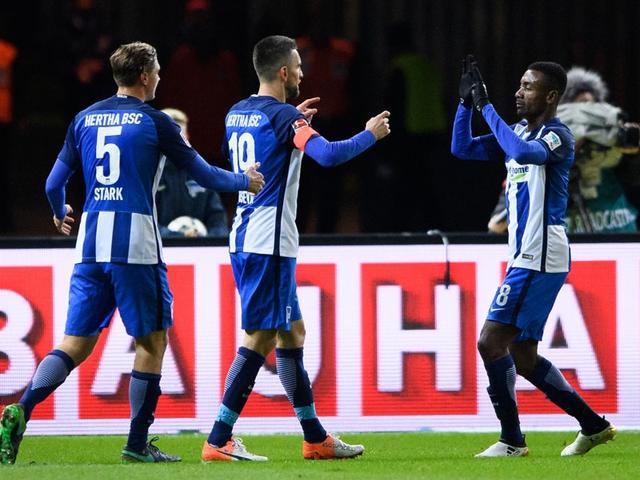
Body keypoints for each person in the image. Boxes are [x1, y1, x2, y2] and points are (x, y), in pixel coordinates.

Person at [0, 41, 264, 465]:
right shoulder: (156, 122)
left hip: (90, 246)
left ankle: (22, 408)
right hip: (136, 245)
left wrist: (59, 211)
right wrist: (243, 181)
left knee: (74, 343)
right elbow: (203, 173)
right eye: (156, 70)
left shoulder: (84, 118)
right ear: (144, 75)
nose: (159, 76)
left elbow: (52, 184)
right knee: (152, 340)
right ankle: (138, 443)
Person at [201, 35, 390, 462]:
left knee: (292, 332)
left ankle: (315, 437)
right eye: (299, 66)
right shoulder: (284, 117)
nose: (304, 73)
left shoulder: (238, 112)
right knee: (260, 337)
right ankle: (218, 438)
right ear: (283, 71)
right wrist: (369, 135)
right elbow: (329, 155)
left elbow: (256, 151)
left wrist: (293, 124)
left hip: (246, 234)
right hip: (267, 242)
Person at [451, 55, 615, 457]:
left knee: (490, 341)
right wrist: (465, 104)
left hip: (540, 255)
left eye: (528, 86)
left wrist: (486, 106)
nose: (519, 92)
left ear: (551, 96)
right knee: (523, 357)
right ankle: (594, 426)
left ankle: (512, 440)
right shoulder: (519, 132)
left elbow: (523, 154)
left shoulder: (557, 136)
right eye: (520, 85)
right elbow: (462, 148)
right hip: (526, 255)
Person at [557, 67, 639, 233]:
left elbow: (634, 179)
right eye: (581, 106)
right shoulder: (547, 151)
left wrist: (633, 154)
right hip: (571, 238)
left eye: (592, 106)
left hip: (620, 235)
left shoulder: (612, 147)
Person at [157, 108, 229, 237]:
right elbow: (143, 225)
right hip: (158, 247)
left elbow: (218, 223)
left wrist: (204, 239)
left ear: (187, 137)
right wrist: (178, 237)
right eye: (170, 137)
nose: (175, 143)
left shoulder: (202, 172)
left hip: (199, 247)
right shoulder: (146, 174)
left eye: (180, 137)